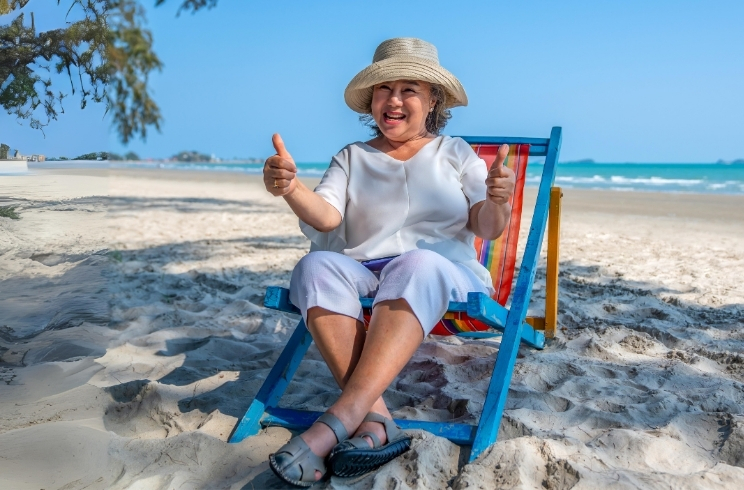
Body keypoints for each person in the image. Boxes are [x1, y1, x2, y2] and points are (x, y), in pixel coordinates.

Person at [262, 37, 515, 487]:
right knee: (314, 267)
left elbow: (487, 226)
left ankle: (333, 424)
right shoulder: (352, 156)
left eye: (409, 89)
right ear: (371, 100)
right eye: (384, 89)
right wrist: (291, 189)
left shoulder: (456, 153)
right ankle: (376, 421)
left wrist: (499, 200)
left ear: (433, 99)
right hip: (366, 276)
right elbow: (327, 216)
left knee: (416, 263)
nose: (394, 100)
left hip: (438, 276)